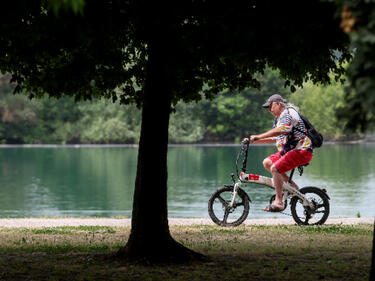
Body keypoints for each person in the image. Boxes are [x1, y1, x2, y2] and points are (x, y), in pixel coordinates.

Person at [246, 94, 313, 212]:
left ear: (278, 104)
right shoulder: (279, 119)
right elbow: (276, 138)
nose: (269, 110)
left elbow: (283, 130)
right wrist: (253, 140)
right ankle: (292, 186)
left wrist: (259, 136)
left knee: (275, 169)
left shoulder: (287, 113)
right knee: (267, 162)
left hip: (302, 150)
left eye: (270, 106)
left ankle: (279, 202)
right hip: (290, 151)